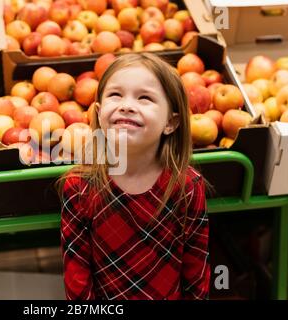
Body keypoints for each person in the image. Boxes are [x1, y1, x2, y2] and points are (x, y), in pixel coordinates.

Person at [60, 53, 210, 300]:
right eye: (115, 95)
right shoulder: (79, 187)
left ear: (171, 122)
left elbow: (197, 271)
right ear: (98, 112)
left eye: (145, 98)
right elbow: (77, 278)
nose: (126, 105)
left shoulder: (187, 187)